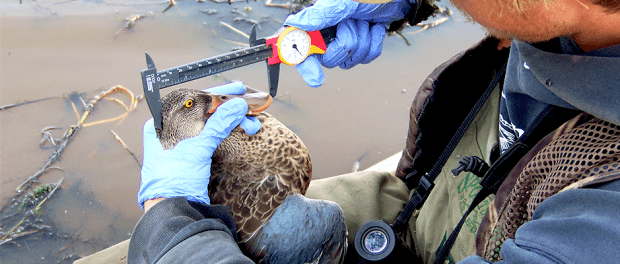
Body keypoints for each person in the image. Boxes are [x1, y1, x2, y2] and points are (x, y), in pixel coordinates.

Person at [125, 0, 620, 262]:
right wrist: (406, 4)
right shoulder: (573, 20)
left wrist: (174, 230)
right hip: (423, 206)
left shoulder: (599, 229)